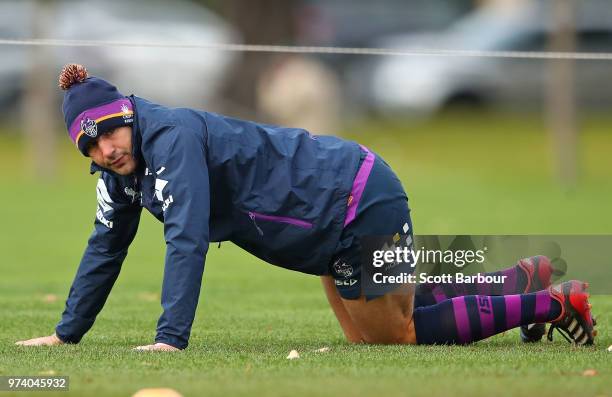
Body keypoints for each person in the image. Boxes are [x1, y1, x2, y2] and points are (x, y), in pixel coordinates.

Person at [16, 64, 596, 351]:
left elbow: (186, 236)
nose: (104, 149)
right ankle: (525, 275)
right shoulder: (121, 169)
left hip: (352, 197)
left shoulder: (170, 138)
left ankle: (548, 303)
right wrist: (68, 335)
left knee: (394, 335)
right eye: (88, 145)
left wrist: (170, 338)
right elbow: (105, 246)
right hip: (328, 214)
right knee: (374, 327)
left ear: (126, 114)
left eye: (108, 133)